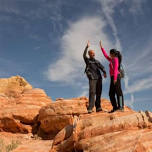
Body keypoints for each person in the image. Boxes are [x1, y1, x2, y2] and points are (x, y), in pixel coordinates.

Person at [99, 41, 124, 113]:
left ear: (112, 54)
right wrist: (101, 48)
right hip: (113, 77)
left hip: (116, 77)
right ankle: (115, 107)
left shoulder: (116, 59)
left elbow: (116, 69)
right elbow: (106, 56)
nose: (109, 55)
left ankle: (121, 107)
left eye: (110, 53)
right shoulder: (111, 59)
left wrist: (115, 78)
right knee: (111, 93)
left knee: (118, 92)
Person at [83, 41, 107, 113]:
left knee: (99, 93)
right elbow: (84, 55)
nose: (94, 54)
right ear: (89, 54)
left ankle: (98, 107)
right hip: (92, 78)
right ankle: (90, 107)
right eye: (92, 53)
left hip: (99, 78)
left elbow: (102, 67)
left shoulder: (96, 61)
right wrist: (87, 47)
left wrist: (104, 72)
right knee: (92, 92)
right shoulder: (87, 60)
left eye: (94, 53)